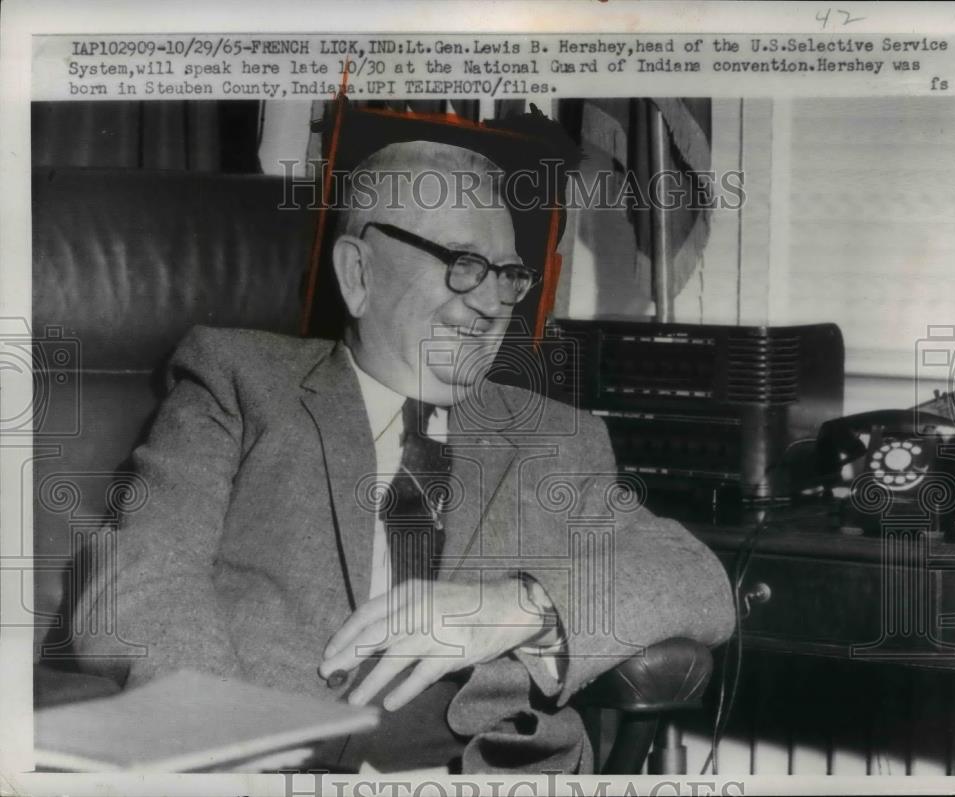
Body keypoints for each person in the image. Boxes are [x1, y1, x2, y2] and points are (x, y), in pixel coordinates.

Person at [77, 138, 734, 774]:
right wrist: (228, 748)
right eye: (462, 262)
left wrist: (519, 606)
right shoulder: (240, 381)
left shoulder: (555, 438)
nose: (490, 303)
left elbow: (696, 578)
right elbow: (144, 573)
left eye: (508, 274)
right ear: (358, 274)